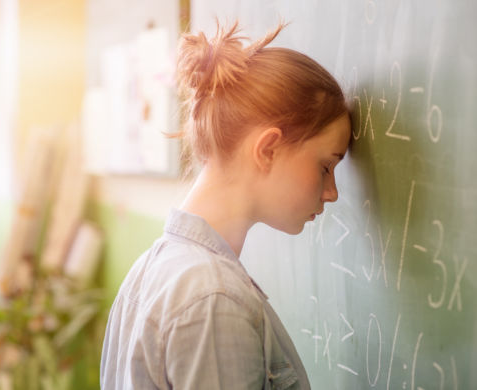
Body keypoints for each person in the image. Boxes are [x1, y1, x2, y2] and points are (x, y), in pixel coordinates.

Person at [100, 21, 351, 390]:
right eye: (325, 166)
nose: (332, 192)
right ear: (267, 149)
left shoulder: (152, 267)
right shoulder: (213, 298)